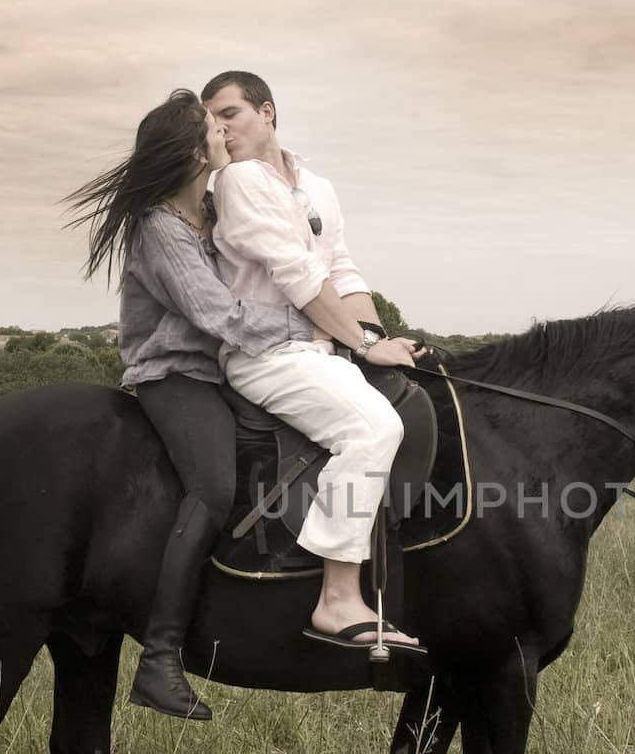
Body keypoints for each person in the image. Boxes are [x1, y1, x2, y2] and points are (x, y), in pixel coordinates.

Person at [65, 89, 310, 721]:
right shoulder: (159, 227)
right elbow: (214, 312)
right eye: (212, 126)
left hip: (228, 371)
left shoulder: (208, 211)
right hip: (176, 376)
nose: (224, 132)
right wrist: (305, 326)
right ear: (191, 148)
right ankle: (160, 657)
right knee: (213, 485)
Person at [200, 70, 425, 654]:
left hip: (322, 348)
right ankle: (337, 598)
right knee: (373, 427)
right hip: (265, 352)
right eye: (213, 120)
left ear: (267, 111)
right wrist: (365, 346)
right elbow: (296, 274)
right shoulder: (237, 180)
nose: (220, 129)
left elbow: (341, 269)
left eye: (231, 114)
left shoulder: (316, 185)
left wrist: (374, 334)